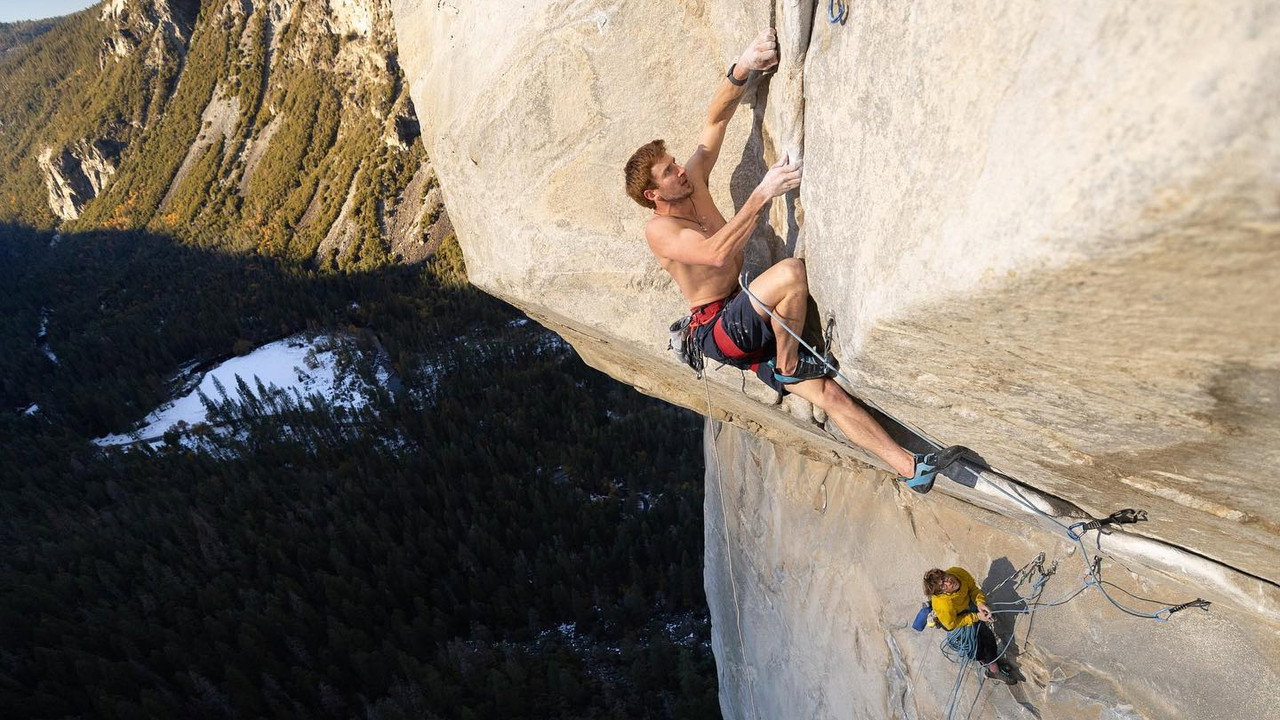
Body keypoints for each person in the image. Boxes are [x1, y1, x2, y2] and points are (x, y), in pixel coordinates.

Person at [623, 28, 962, 491]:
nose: (681, 169)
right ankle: (787, 365)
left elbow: (715, 120)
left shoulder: (694, 181)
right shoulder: (659, 230)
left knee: (829, 395)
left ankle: (911, 470)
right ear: (653, 194)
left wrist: (742, 67)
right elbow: (715, 251)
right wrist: (762, 193)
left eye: (675, 163)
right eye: (669, 172)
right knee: (790, 274)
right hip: (720, 329)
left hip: (745, 316)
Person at [923, 567, 1015, 683]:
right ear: (941, 592)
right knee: (978, 642)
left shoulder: (958, 572)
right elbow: (951, 624)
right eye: (943, 585)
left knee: (986, 636)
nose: (949, 582)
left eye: (944, 577)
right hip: (954, 619)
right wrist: (976, 617)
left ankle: (992, 661)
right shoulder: (943, 605)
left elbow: (972, 589)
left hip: (967, 605)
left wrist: (980, 603)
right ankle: (993, 670)